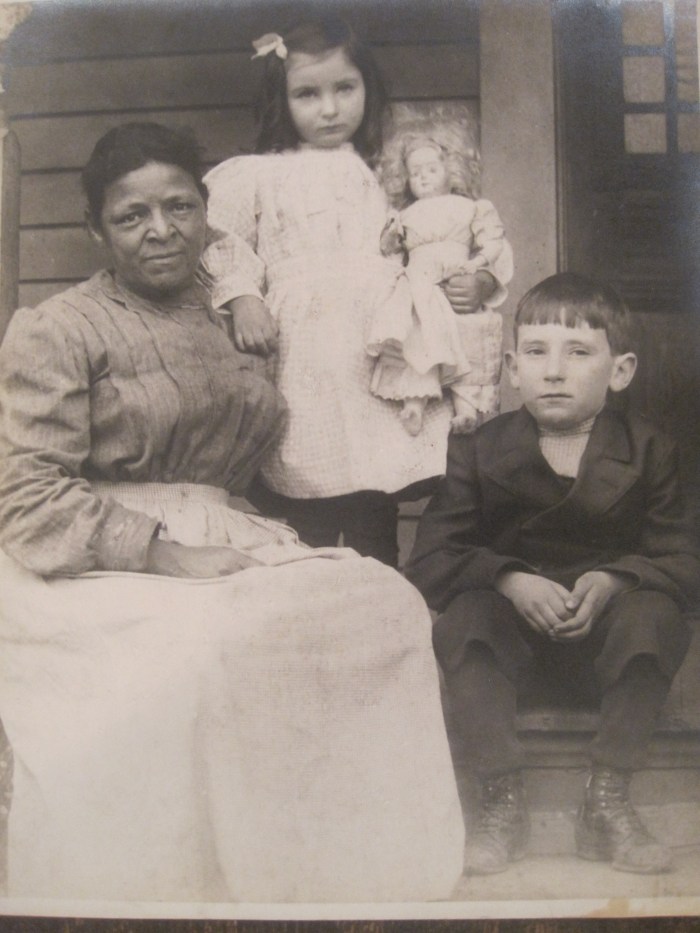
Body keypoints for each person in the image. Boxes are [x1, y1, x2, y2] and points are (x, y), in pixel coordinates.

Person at [0, 122, 465, 902]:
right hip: (92, 560)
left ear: (206, 213)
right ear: (95, 229)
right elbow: (24, 493)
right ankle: (189, 883)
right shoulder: (61, 328)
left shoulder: (231, 317)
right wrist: (161, 553)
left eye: (180, 208)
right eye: (132, 216)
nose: (161, 231)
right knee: (209, 640)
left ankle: (338, 876)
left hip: (226, 527)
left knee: (382, 604)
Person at [406, 273, 700, 876]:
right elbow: (432, 559)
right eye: (537, 353)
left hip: (607, 655)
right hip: (509, 657)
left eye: (579, 352)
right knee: (464, 619)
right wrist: (510, 579)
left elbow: (685, 559)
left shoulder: (650, 450)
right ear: (513, 367)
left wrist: (620, 578)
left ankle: (608, 795)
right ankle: (501, 798)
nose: (555, 371)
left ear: (620, 371)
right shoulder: (479, 450)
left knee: (657, 614)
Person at [201, 15, 499, 566]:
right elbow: (224, 243)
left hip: (376, 347)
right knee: (304, 488)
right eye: (308, 94)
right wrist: (243, 296)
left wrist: (472, 277)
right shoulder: (260, 175)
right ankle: (310, 594)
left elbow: (439, 231)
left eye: (345, 88)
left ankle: (381, 608)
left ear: (368, 88)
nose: (330, 109)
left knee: (372, 491)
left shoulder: (388, 172)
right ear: (281, 99)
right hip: (303, 347)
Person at [368, 131, 513, 436]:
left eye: (432, 170)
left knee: (466, 342)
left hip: (455, 280)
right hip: (420, 286)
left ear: (453, 171)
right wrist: (391, 238)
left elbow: (496, 248)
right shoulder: (404, 215)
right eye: (415, 173)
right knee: (416, 340)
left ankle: (466, 410)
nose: (423, 178)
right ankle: (414, 405)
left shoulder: (470, 208)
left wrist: (479, 273)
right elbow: (389, 255)